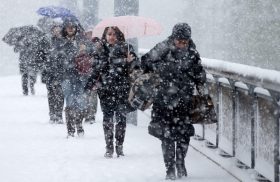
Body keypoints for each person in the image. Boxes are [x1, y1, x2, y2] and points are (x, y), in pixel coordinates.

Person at [141, 23, 206, 180]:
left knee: (184, 134)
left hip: (185, 100)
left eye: (185, 41)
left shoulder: (192, 52)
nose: (182, 44)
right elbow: (145, 62)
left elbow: (200, 73)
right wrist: (163, 68)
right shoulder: (163, 47)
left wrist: (199, 81)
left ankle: (180, 163)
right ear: (173, 37)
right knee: (167, 134)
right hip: (164, 99)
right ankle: (170, 168)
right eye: (179, 41)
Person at [85, 26, 138, 158]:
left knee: (121, 118)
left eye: (114, 34)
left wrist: (130, 62)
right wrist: (90, 84)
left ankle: (119, 146)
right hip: (105, 90)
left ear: (119, 35)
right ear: (105, 35)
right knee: (107, 118)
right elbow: (96, 67)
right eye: (109, 34)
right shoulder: (100, 49)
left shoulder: (127, 48)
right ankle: (109, 147)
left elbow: (135, 67)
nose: (111, 37)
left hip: (122, 89)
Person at [61, 18, 96, 137]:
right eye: (68, 26)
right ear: (65, 28)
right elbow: (58, 57)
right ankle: (70, 129)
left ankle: (79, 124)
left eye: (73, 26)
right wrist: (74, 54)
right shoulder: (61, 42)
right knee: (70, 102)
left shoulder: (83, 40)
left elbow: (93, 52)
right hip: (67, 76)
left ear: (76, 28)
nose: (70, 28)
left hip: (82, 76)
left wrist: (85, 50)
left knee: (81, 102)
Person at [42, 24, 64, 124]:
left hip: (61, 72)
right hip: (49, 72)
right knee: (51, 94)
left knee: (60, 94)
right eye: (55, 30)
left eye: (58, 30)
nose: (57, 32)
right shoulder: (47, 42)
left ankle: (59, 114)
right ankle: (52, 114)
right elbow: (42, 56)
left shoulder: (64, 41)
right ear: (52, 31)